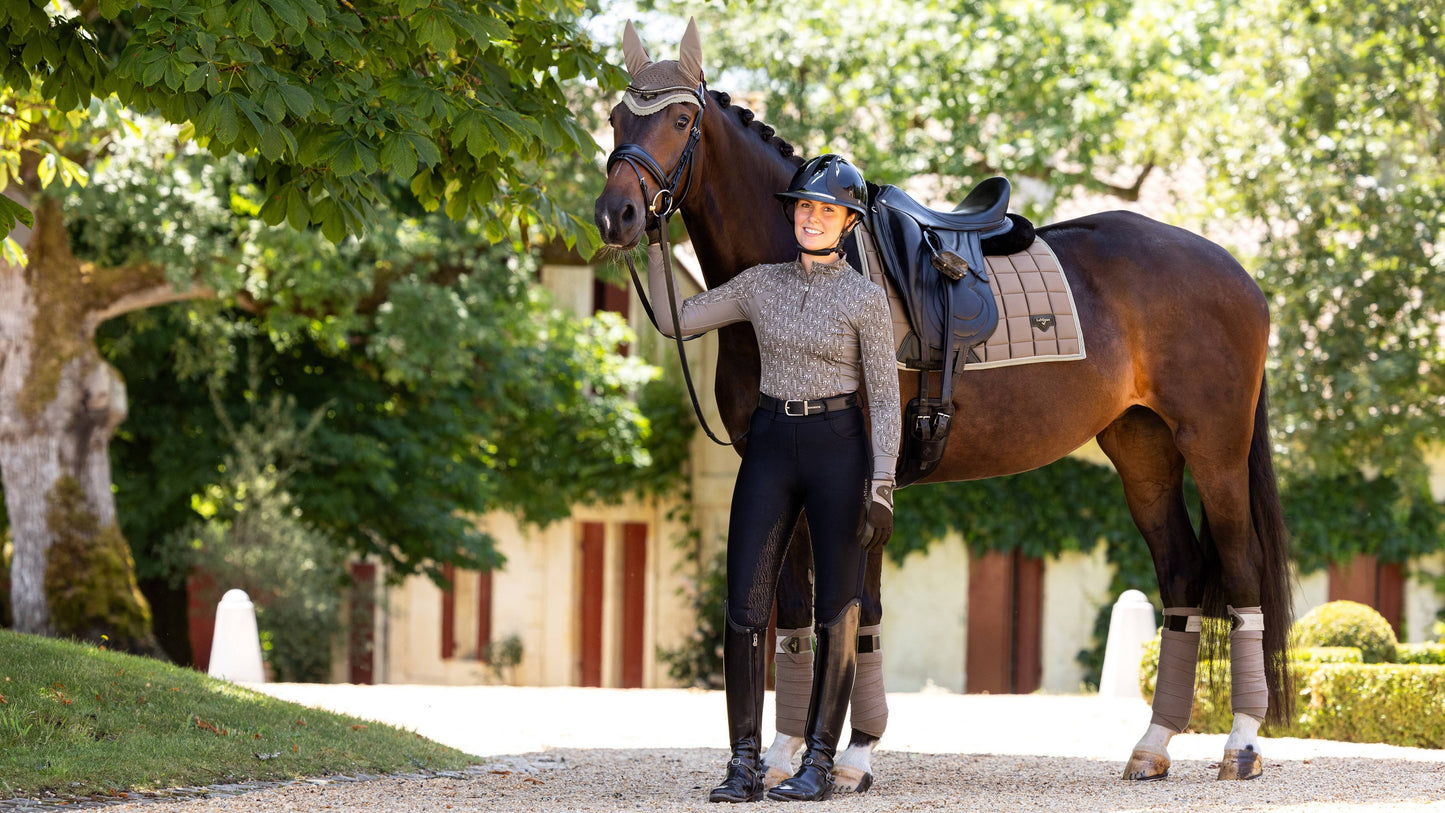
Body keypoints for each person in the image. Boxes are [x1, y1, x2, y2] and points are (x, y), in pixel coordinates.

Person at [646, 154, 900, 803]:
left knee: (836, 609)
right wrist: (653, 240)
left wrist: (881, 485)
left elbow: (885, 398)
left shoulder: (865, 300)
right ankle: (741, 763)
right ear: (792, 214)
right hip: (768, 445)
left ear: (846, 223)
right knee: (744, 609)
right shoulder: (758, 283)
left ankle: (817, 760)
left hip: (837, 448)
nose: (813, 218)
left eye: (827, 210)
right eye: (804, 207)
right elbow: (674, 318)